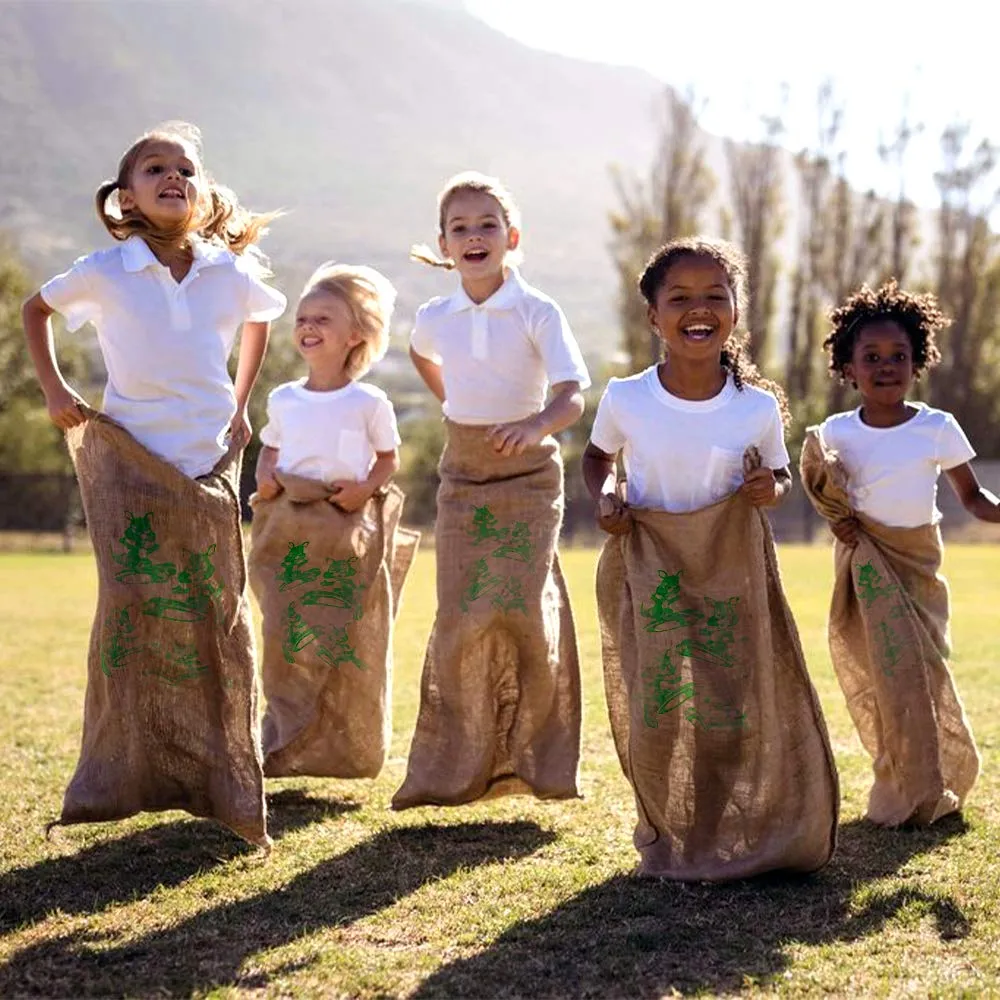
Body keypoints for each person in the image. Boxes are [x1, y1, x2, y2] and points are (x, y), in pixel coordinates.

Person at [22, 121, 285, 847]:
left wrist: (240, 404)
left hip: (207, 467)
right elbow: (34, 309)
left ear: (202, 195)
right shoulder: (105, 270)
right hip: (130, 466)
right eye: (155, 168)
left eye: (187, 170)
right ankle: (119, 778)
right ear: (126, 196)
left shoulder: (227, 273)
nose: (174, 177)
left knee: (218, 619)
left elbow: (260, 321)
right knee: (133, 613)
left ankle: (226, 787)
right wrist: (54, 392)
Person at [583, 237, 838, 880]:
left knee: (727, 706)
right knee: (659, 706)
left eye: (714, 296)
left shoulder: (754, 408)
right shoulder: (627, 398)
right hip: (649, 567)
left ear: (735, 311)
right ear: (653, 316)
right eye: (680, 298)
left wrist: (768, 489)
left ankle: (708, 831)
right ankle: (665, 832)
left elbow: (778, 478)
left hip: (730, 570)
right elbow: (596, 458)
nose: (698, 309)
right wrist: (608, 491)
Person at [392, 171, 590, 810]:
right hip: (462, 476)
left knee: (522, 609)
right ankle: (456, 764)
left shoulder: (538, 310)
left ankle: (538, 763)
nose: (473, 237)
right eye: (459, 228)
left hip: (530, 478)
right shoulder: (435, 316)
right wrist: (451, 399)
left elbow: (571, 396)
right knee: (462, 613)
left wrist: (534, 426)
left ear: (512, 237)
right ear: (443, 245)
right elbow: (422, 354)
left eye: (486, 225)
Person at [800, 279, 992, 826]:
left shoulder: (937, 428)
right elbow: (825, 494)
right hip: (865, 572)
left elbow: (974, 499)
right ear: (848, 367)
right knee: (887, 679)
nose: (886, 366)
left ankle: (937, 781)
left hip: (918, 569)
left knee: (925, 676)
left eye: (899, 356)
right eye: (872, 356)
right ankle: (902, 788)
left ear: (918, 362)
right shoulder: (835, 432)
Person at [249, 262, 418, 780]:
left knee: (338, 640)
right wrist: (267, 480)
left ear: (356, 337)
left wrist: (365, 489)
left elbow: (388, 459)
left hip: (343, 531)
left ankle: (342, 747)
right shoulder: (283, 398)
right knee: (284, 634)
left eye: (323, 318)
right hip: (288, 529)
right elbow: (267, 451)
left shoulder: (369, 402)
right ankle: (281, 740)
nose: (308, 327)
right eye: (303, 318)